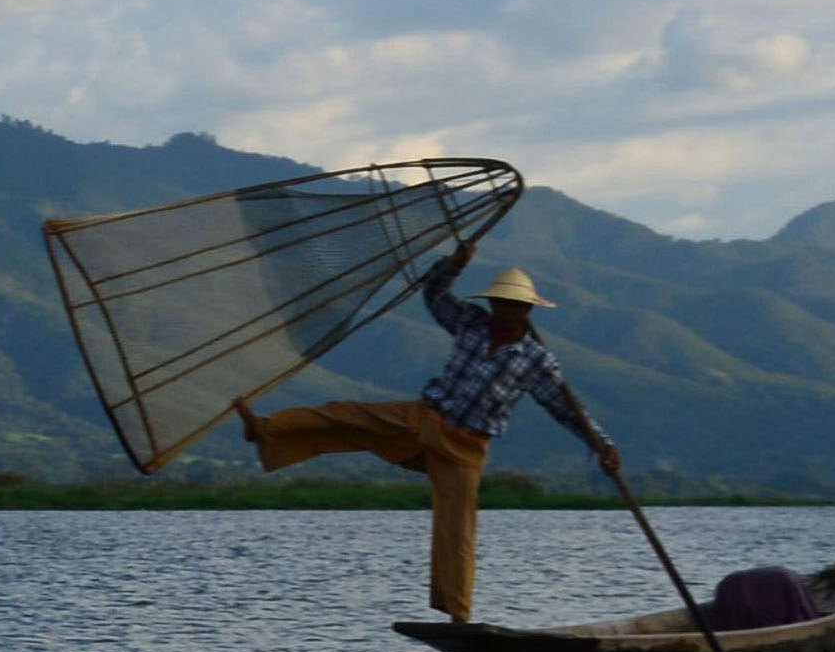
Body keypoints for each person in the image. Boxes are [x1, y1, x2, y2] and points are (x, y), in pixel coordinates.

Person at [251, 259, 624, 623]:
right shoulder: (470, 323)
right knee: (347, 416)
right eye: (499, 303)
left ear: (527, 310)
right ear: (491, 303)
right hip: (425, 417)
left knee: (458, 531)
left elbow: (566, 409)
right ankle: (269, 431)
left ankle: (458, 615)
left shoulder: (536, 360)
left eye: (513, 305)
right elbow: (434, 293)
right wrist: (455, 264)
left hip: (466, 448)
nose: (503, 310)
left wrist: (601, 445)